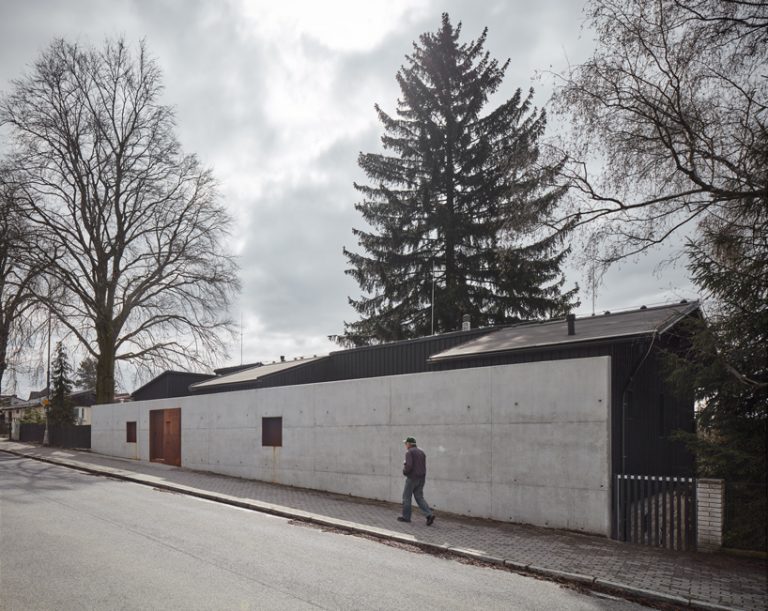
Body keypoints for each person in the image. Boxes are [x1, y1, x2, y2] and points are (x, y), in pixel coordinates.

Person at [398, 436, 435, 525]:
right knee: (419, 497)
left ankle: (406, 517)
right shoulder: (421, 452)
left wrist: (405, 471)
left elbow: (409, 466)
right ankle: (429, 515)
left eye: (406, 443)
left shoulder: (409, 452)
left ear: (409, 444)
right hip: (421, 478)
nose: (405, 445)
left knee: (406, 498)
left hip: (412, 478)